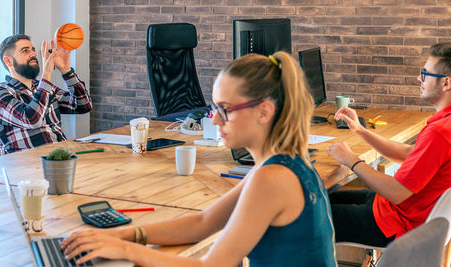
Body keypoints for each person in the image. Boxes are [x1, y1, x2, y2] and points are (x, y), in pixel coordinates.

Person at [60, 52, 336, 266]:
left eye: (225, 109)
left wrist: (125, 250)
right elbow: (203, 222)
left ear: (263, 111)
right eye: (214, 107)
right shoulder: (286, 162)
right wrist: (123, 234)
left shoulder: (272, 178)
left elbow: (212, 265)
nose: (214, 118)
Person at [327, 42, 451, 247]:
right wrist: (360, 130)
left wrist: (351, 160)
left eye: (425, 74)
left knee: (305, 217)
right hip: (402, 212)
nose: (419, 78)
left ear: (446, 83)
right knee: (322, 198)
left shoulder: (442, 132)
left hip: (397, 224)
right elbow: (411, 153)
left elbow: (396, 192)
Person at [0, 34, 92, 154]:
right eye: (25, 51)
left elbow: (83, 106)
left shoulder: (41, 87)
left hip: (60, 157)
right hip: (25, 165)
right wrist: (46, 75)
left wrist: (66, 71)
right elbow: (31, 120)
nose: (33, 54)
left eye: (33, 50)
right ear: (8, 61)